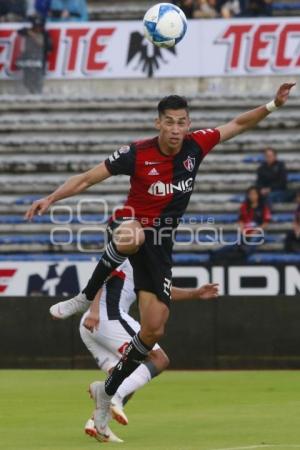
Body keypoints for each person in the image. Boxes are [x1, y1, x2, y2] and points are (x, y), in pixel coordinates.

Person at [25, 82, 295, 440]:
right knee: (131, 234)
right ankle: (84, 298)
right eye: (169, 122)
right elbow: (89, 178)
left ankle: (108, 393)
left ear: (188, 123)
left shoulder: (196, 145)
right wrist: (51, 197)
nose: (175, 129)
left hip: (161, 247)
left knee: (154, 329)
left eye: (181, 121)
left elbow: (238, 124)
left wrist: (273, 104)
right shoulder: (137, 153)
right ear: (158, 124)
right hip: (130, 226)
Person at [54, 260, 218, 442]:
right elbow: (100, 276)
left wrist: (195, 293)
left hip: (93, 325)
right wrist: (94, 311)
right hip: (107, 317)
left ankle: (97, 423)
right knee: (159, 359)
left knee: (126, 373)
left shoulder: (145, 261)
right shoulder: (129, 254)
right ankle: (109, 394)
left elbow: (161, 292)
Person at [16, 15, 52, 94]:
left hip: (39, 60)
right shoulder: (28, 31)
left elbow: (49, 48)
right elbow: (20, 32)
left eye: (39, 26)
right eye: (36, 26)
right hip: (28, 59)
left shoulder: (45, 34)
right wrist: (32, 34)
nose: (38, 28)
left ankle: (37, 92)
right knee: (27, 80)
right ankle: (29, 91)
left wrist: (38, 40)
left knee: (38, 80)